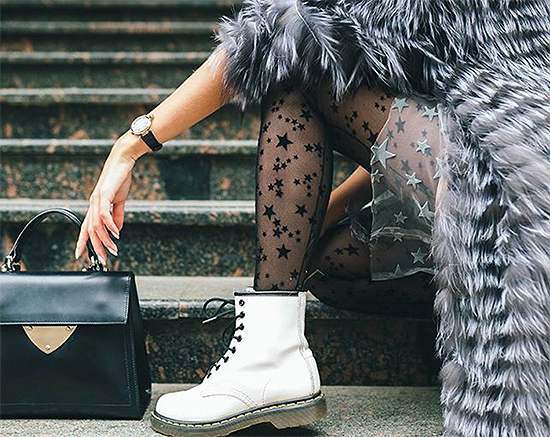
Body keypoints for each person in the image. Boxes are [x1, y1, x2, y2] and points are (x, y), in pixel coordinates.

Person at [76, 1, 550, 436]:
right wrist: (314, 219)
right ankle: (478, 316)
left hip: (507, 170)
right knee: (326, 263)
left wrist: (130, 147)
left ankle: (270, 358)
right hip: (521, 165)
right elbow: (424, 116)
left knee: (297, 72)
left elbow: (281, 30)